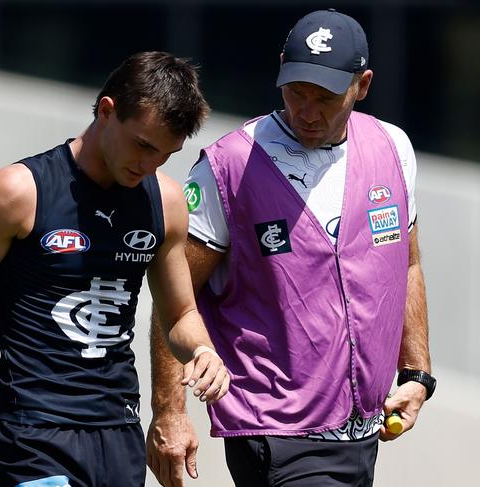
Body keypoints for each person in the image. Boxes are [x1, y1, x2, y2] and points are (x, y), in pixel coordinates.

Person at [0, 51, 231, 487]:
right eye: (143, 146)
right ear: (107, 110)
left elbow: (180, 315)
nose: (148, 165)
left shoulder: (164, 201)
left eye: (164, 156)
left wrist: (202, 350)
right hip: (32, 432)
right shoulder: (16, 193)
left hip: (117, 432)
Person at [147, 9, 436, 487]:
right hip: (276, 430)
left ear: (361, 86)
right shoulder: (229, 166)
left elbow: (407, 265)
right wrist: (169, 412)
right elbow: (173, 297)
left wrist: (418, 373)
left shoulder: (394, 148)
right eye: (295, 91)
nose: (306, 110)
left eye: (323, 97)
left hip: (364, 430)